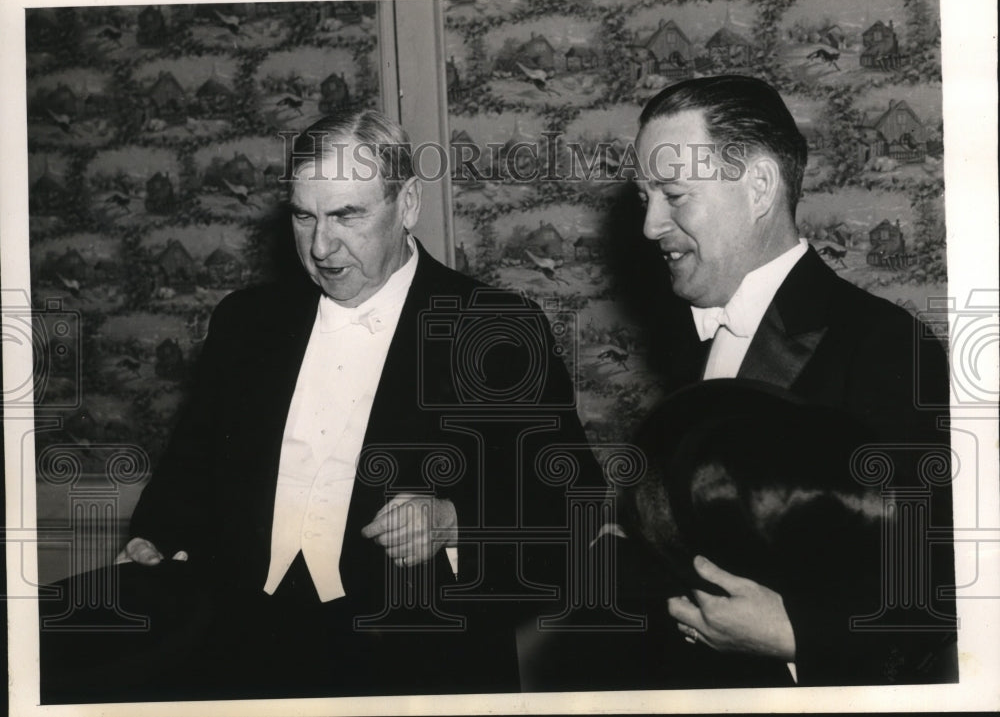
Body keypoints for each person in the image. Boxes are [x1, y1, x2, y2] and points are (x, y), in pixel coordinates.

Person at [40, 108, 603, 701]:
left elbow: (572, 503)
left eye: (347, 216)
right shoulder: (246, 322)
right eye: (303, 216)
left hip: (418, 663)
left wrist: (454, 523)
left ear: (407, 204)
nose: (321, 246)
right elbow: (189, 473)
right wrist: (159, 536)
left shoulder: (496, 328)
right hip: (245, 655)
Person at [613, 75, 956, 686]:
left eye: (673, 194)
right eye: (646, 197)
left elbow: (943, 587)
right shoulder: (693, 343)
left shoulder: (884, 346)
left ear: (760, 187)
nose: (649, 225)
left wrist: (796, 634)